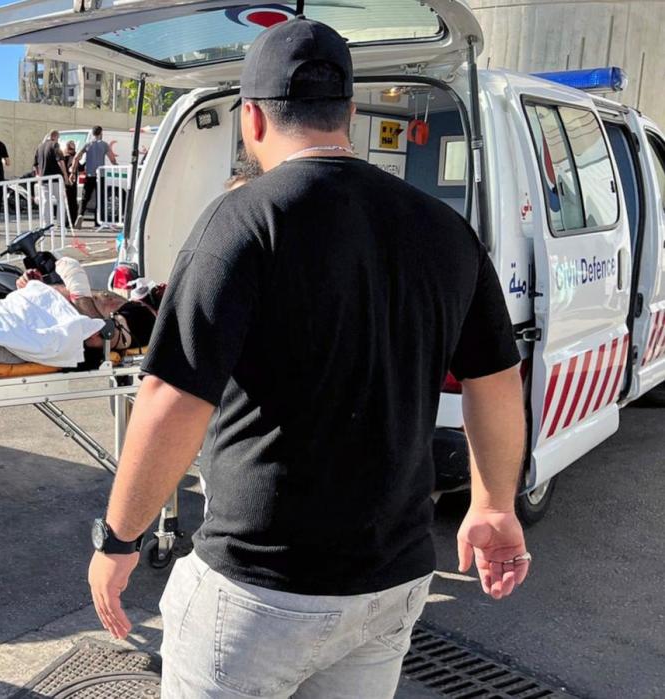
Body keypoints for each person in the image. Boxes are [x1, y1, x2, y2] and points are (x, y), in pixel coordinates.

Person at [86, 19, 530, 698]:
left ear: (252, 120)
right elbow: (496, 380)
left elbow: (172, 401)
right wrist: (495, 503)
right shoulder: (446, 231)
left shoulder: (239, 223)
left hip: (258, 590)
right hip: (391, 586)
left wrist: (119, 540)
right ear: (349, 113)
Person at [77, 126, 118, 229]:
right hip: (100, 175)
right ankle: (97, 221)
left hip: (89, 175)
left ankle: (80, 214)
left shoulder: (88, 144)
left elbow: (78, 156)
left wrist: (75, 168)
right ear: (101, 133)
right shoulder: (104, 145)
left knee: (85, 197)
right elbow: (112, 159)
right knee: (100, 198)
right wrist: (116, 166)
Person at [63, 140, 80, 227]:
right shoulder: (69, 157)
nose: (73, 150)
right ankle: (69, 222)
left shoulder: (66, 157)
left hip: (69, 182)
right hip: (70, 182)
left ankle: (69, 222)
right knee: (71, 203)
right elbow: (71, 168)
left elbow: (80, 167)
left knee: (71, 203)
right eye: (71, 148)